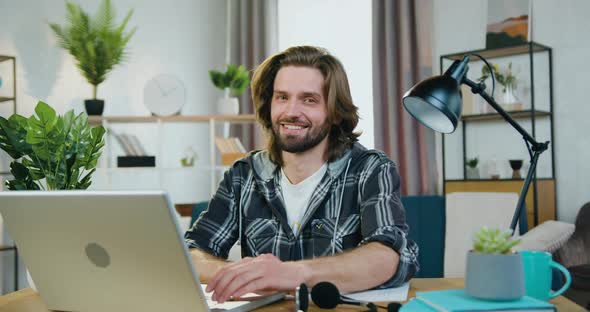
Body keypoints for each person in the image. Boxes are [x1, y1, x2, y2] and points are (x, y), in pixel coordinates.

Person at [185, 46, 419, 303]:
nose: (291, 112)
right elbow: (191, 252)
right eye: (282, 97)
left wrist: (287, 274)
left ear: (335, 111)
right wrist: (245, 275)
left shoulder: (371, 169)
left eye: (309, 99)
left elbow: (387, 257)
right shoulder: (243, 174)